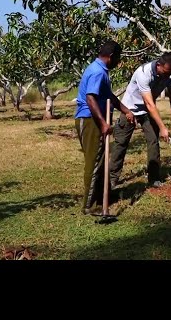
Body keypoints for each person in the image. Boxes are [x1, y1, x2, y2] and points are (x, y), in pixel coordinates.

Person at [74, 40, 135, 214]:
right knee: (93, 163)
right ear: (111, 56)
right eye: (118, 58)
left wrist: (126, 111)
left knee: (100, 162)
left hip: (94, 119)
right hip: (91, 120)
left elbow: (109, 96)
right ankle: (89, 205)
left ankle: (101, 197)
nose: (119, 62)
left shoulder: (101, 70)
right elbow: (90, 98)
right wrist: (102, 124)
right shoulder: (97, 72)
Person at [109, 52, 171, 188]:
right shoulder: (143, 73)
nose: (167, 76)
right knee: (121, 143)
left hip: (148, 111)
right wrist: (162, 128)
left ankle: (154, 178)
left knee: (153, 141)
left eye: (170, 73)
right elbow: (149, 103)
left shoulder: (169, 74)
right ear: (159, 65)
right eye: (165, 72)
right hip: (130, 109)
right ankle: (112, 178)